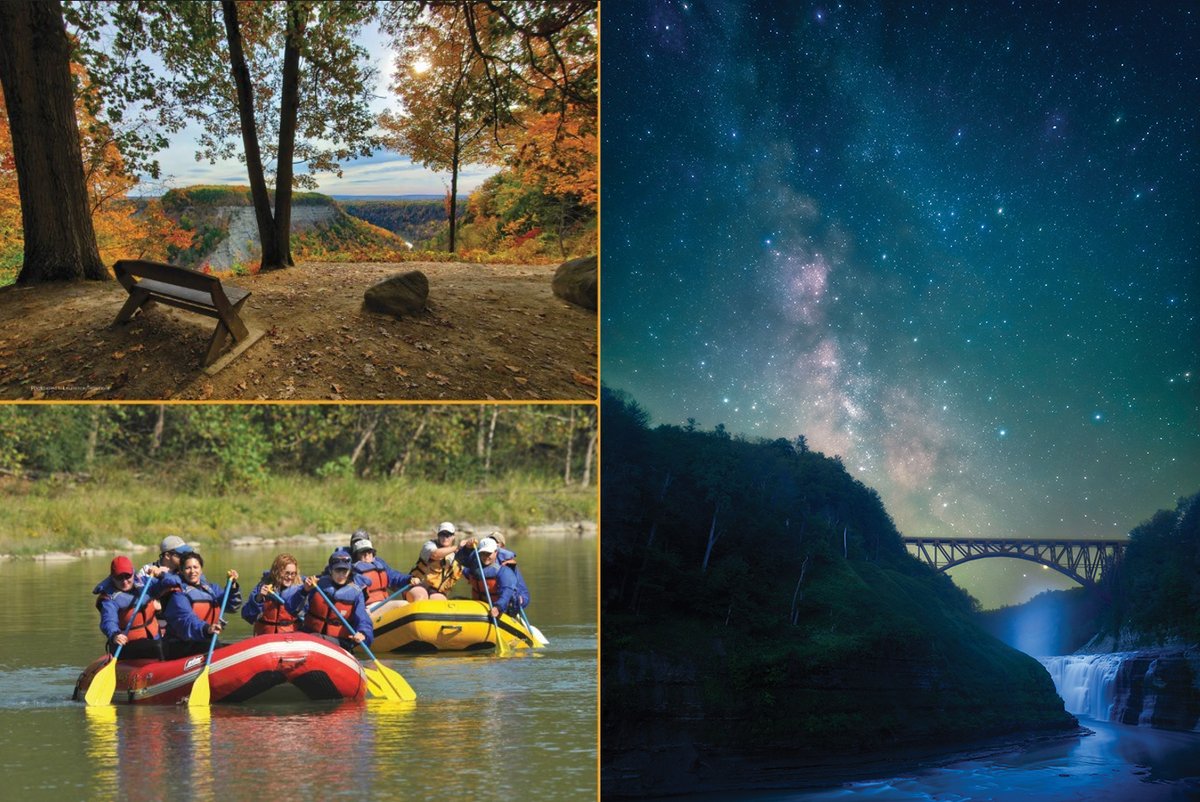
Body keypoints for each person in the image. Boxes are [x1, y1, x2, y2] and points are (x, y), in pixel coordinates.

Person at [94, 556, 174, 661]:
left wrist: (161, 575)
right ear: (112, 578)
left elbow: (171, 584)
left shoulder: (145, 582)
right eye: (119, 577)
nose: (124, 581)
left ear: (133, 573)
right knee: (159, 646)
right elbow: (108, 620)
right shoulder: (109, 599)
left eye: (127, 576)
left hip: (155, 637)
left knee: (172, 640)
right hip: (128, 645)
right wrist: (114, 635)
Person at [290, 551, 373, 652]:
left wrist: (363, 633)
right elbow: (292, 609)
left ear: (350, 571)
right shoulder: (316, 585)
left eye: (344, 571)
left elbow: (363, 619)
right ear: (330, 570)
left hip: (339, 642)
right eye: (338, 571)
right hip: (310, 635)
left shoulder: (356, 593)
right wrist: (304, 591)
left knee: (315, 638)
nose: (341, 575)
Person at [163, 552, 241, 659]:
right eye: (188, 568)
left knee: (227, 648)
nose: (192, 571)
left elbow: (232, 606)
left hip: (204, 639)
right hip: (179, 644)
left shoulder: (211, 589)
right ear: (181, 571)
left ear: (201, 569)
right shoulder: (178, 594)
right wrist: (206, 629)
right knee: (214, 646)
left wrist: (232, 587)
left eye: (196, 567)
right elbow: (187, 620)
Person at [458, 537, 530, 620]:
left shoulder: (504, 570)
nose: (485, 557)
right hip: (480, 606)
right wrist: (467, 548)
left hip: (501, 609)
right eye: (483, 553)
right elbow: (460, 559)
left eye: (489, 553)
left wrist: (498, 607)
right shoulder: (475, 567)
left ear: (496, 552)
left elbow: (507, 592)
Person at [241, 553, 304, 635]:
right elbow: (247, 615)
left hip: (290, 638)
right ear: (277, 571)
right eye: (286, 573)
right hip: (265, 637)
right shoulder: (262, 586)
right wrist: (259, 598)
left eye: (293, 573)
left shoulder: (301, 589)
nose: (289, 577)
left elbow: (307, 616)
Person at [349, 537, 416, 612]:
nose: (367, 555)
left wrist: (409, 579)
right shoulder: (353, 571)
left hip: (384, 602)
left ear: (373, 553)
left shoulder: (379, 564)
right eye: (362, 552)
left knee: (407, 604)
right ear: (356, 556)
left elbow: (394, 576)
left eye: (369, 551)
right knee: (404, 605)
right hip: (369, 607)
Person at [408, 521, 463, 601]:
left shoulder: (458, 556)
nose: (445, 538)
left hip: (436, 591)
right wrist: (457, 547)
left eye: (448, 535)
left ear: (453, 537)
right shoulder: (429, 546)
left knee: (438, 600)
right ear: (438, 536)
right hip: (418, 584)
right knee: (421, 597)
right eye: (442, 535)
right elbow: (435, 555)